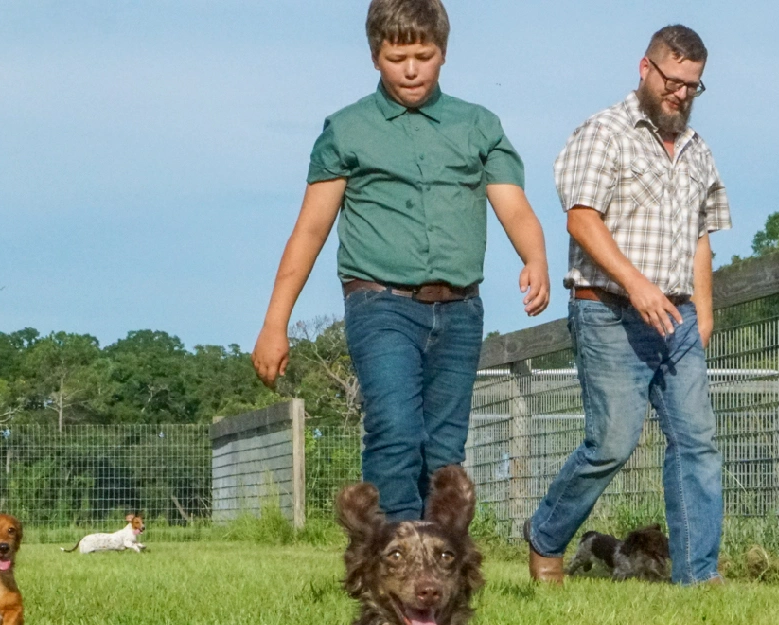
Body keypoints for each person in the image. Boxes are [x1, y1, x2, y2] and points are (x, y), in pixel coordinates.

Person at [251, 0, 549, 521]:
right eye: (396, 57)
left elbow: (513, 204)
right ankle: (394, 557)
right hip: (381, 305)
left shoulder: (478, 125)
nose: (410, 69)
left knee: (444, 451)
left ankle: (436, 564)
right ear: (374, 56)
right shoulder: (346, 131)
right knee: (394, 431)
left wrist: (535, 256)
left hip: (459, 311)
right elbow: (310, 230)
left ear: (443, 54)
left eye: (423, 55)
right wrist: (276, 323)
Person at [525, 25, 730, 586]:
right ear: (646, 68)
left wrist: (703, 313)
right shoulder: (603, 134)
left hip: (679, 318)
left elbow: (702, 238)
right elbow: (581, 219)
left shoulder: (697, 151)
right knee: (611, 443)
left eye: (693, 86)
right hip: (610, 310)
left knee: (697, 442)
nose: (681, 94)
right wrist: (638, 284)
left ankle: (698, 575)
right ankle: (546, 534)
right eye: (672, 80)